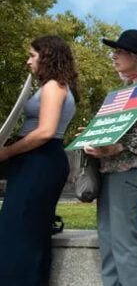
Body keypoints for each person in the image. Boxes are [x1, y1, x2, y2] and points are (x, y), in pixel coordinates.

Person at [84, 29, 137, 286]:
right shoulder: (127, 88)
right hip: (111, 170)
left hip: (131, 170)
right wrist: (93, 135)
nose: (114, 56)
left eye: (119, 51)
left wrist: (115, 148)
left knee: (124, 241)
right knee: (108, 238)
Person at [0, 35, 78, 284]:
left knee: (20, 234)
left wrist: (6, 152)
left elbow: (45, 131)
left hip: (40, 161)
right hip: (35, 162)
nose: (28, 61)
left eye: (32, 55)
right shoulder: (53, 85)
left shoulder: (54, 86)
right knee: (24, 232)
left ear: (47, 56)